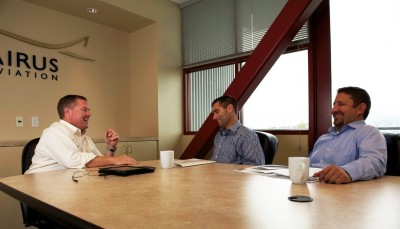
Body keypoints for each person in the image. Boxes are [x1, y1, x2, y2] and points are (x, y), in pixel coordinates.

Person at [26, 95, 138, 174]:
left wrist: (111, 147)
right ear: (67, 112)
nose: (89, 114)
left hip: (67, 186)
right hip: (41, 191)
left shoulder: (83, 136)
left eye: (88, 110)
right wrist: (115, 160)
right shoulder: (54, 132)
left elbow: (102, 162)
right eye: (84, 110)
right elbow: (73, 161)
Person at [309, 86, 387, 184]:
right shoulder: (323, 138)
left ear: (360, 109)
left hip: (341, 193)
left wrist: (347, 171)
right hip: (309, 187)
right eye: (334, 105)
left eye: (341, 104)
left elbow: (375, 163)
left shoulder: (369, 132)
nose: (333, 110)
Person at [210, 95, 265, 165]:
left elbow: (255, 167)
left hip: (233, 176)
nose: (214, 117)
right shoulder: (219, 136)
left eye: (217, 112)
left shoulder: (247, 135)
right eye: (213, 113)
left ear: (229, 108)